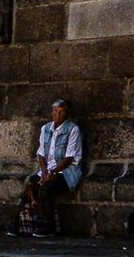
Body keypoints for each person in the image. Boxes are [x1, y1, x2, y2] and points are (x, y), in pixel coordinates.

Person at [10, 98, 83, 238]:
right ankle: (18, 223)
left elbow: (69, 157)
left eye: (62, 112)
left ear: (66, 114)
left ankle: (47, 225)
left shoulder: (73, 129)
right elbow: (41, 153)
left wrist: (53, 173)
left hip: (66, 171)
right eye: (56, 111)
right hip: (47, 170)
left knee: (46, 188)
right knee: (31, 186)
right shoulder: (46, 129)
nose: (58, 115)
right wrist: (44, 172)